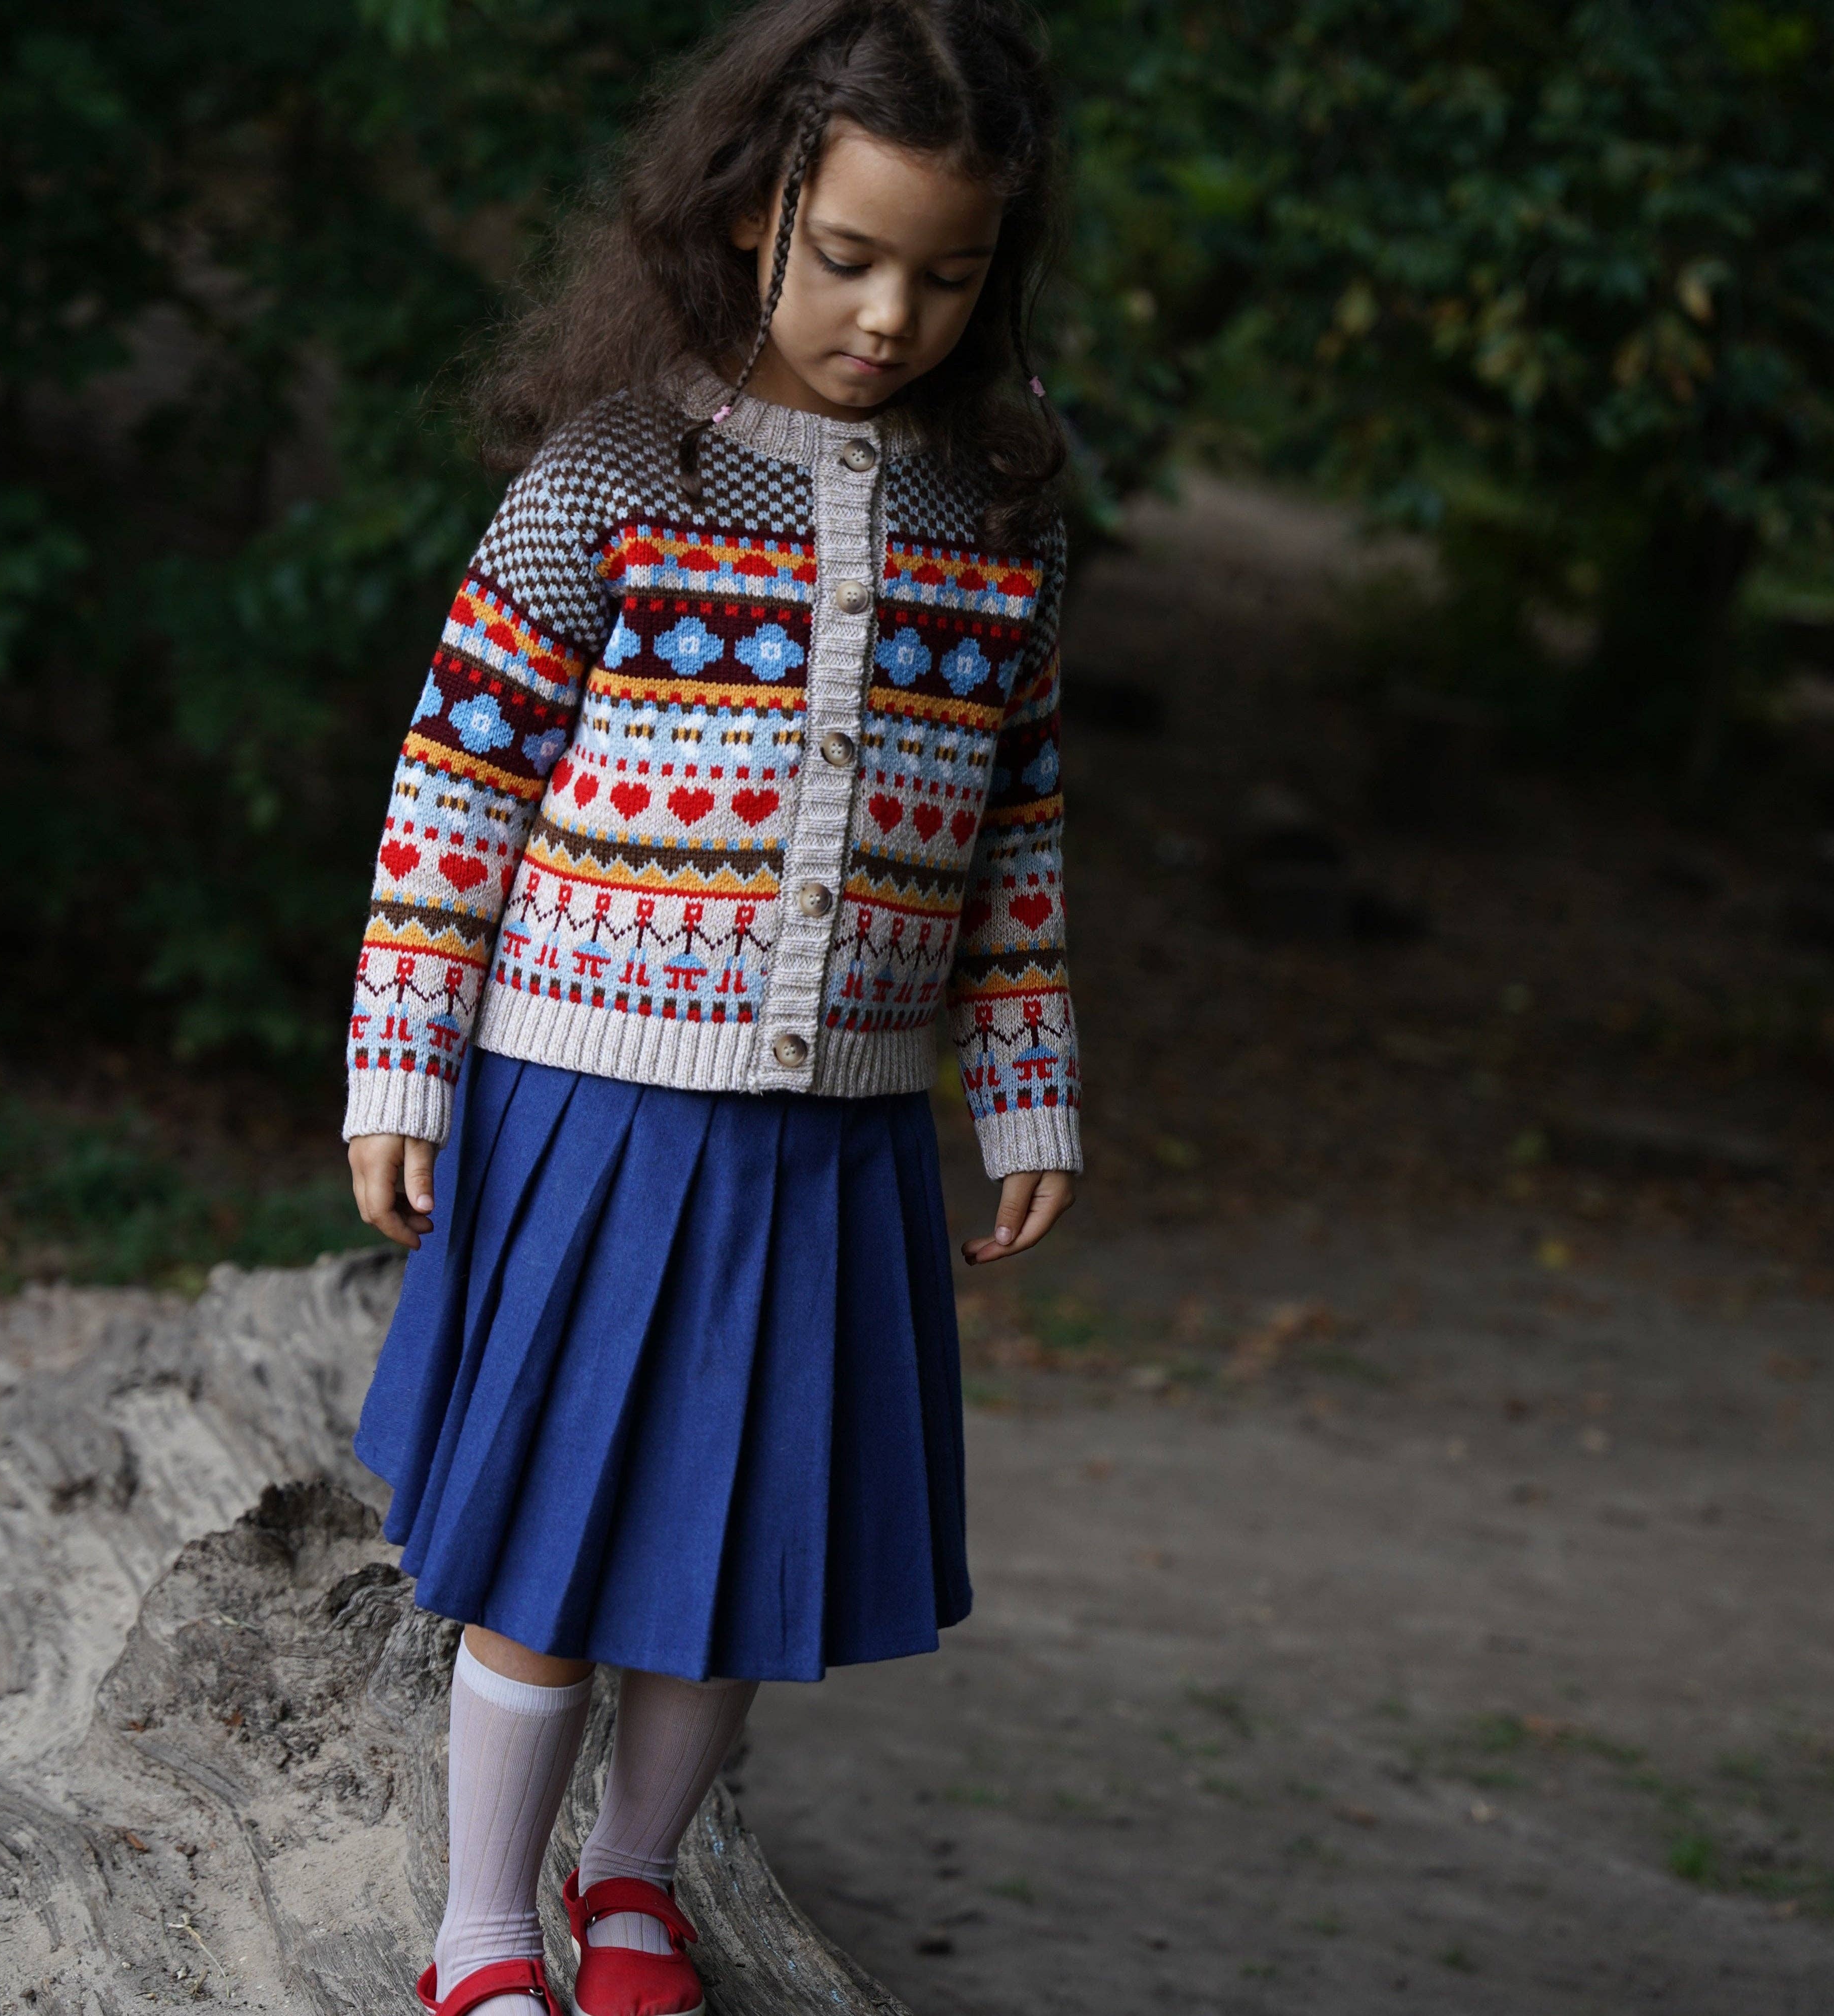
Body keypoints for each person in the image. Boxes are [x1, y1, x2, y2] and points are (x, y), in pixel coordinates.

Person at [342, 4, 1079, 2011]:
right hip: (596, 1099)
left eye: (948, 275)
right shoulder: (612, 478)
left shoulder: (997, 518)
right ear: (756, 206)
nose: (891, 316)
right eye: (847, 257)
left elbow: (1016, 832)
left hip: (840, 1125)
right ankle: (485, 1923)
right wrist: (399, 1058)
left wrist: (1026, 1089)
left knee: (737, 1540)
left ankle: (635, 1881)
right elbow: (456, 778)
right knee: (554, 1529)